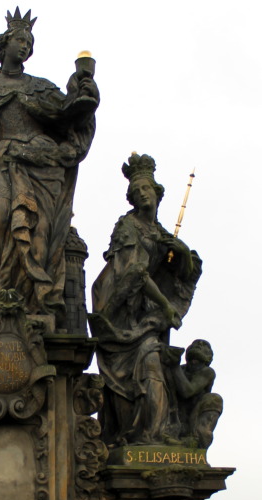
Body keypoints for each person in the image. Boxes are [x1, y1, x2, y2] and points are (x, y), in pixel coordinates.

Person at [0, 8, 99, 328]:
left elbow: (66, 112)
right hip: (4, 162)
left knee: (37, 232)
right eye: (20, 40)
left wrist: (84, 87)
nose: (24, 46)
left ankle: (37, 304)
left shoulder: (40, 86)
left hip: (41, 165)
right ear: (4, 45)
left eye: (29, 42)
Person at [90, 154, 202, 447]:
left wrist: (180, 250)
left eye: (146, 188)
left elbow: (185, 270)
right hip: (120, 315)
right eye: (137, 190)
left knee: (156, 363)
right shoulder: (128, 227)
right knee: (148, 364)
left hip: (146, 316)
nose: (142, 193)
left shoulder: (160, 232)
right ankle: (149, 436)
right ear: (132, 198)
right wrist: (165, 305)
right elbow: (135, 272)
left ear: (157, 193)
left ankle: (154, 433)